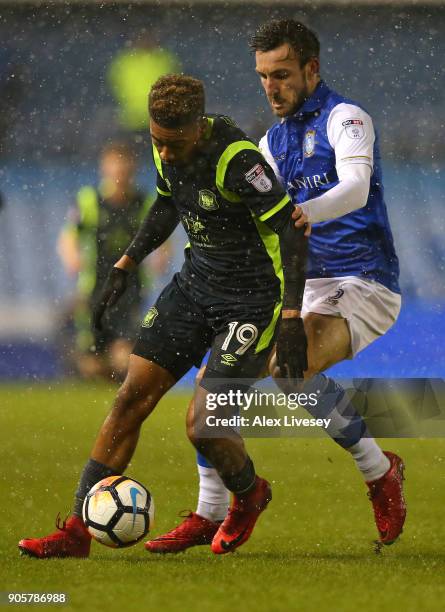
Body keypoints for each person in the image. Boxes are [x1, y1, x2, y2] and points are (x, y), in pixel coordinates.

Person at [18, 74, 307, 558]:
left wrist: (294, 317)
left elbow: (294, 235)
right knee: (130, 397)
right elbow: (169, 202)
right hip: (193, 290)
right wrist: (125, 264)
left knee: (205, 426)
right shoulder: (164, 146)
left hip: (251, 302)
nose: (165, 153)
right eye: (157, 142)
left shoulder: (239, 162)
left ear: (198, 127)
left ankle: (250, 493)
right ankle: (76, 531)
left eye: (174, 144)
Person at [146, 20, 406, 554]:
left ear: (312, 69)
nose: (272, 86)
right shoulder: (267, 141)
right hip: (296, 282)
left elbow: (355, 190)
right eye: (264, 76)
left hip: (362, 280)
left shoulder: (347, 118)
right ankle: (208, 511)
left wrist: (294, 214)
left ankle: (380, 471)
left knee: (291, 368)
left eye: (283, 74)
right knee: (216, 388)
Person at [57, 143, 162, 381]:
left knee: (124, 355)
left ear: (132, 168)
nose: (120, 172)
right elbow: (68, 235)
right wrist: (71, 255)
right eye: (115, 166)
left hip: (130, 288)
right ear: (105, 168)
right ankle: (94, 378)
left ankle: (116, 393)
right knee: (92, 361)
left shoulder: (143, 202)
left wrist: (161, 255)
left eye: (124, 166)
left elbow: (161, 233)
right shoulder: (88, 200)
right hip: (96, 288)